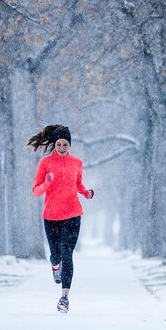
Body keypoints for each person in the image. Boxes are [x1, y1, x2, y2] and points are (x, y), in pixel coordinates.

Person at [27, 124, 94, 313]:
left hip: (73, 214)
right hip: (51, 216)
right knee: (56, 254)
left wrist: (86, 193)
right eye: (59, 144)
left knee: (67, 253)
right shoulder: (46, 163)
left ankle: (64, 297)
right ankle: (54, 264)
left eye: (65, 144)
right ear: (54, 144)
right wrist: (47, 183)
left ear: (70, 144)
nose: (62, 148)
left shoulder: (77, 163)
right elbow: (35, 191)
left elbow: (78, 184)